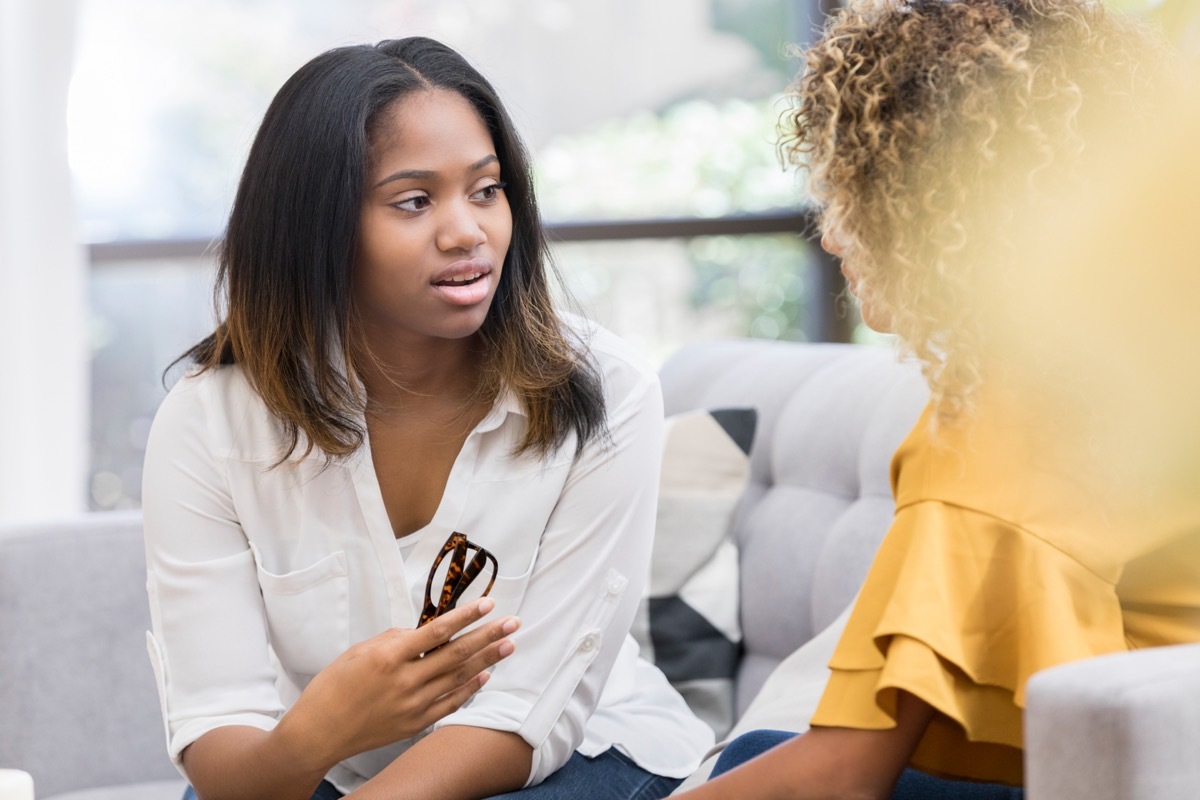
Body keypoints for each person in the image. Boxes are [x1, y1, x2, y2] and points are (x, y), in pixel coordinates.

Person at [142, 36, 713, 800]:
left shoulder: (606, 392)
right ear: (318, 225)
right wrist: (320, 730)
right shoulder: (208, 424)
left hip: (569, 754)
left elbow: (523, 715)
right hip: (333, 764)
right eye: (414, 201)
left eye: (486, 190)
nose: (468, 232)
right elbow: (221, 737)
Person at [674, 0, 1199, 798]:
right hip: (1156, 751)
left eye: (850, 188)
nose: (829, 234)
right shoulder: (1121, 365)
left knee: (755, 763)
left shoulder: (1001, 428)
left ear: (925, 211)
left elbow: (850, 770)